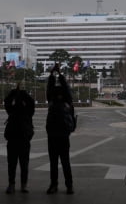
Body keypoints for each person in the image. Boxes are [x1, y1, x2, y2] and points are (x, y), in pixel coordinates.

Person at [46, 64, 75, 195]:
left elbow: (51, 89)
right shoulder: (65, 101)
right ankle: (67, 186)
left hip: (57, 133)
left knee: (58, 161)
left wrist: (55, 74)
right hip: (59, 133)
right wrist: (59, 75)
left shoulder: (57, 101)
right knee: (63, 161)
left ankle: (56, 185)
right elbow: (65, 90)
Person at [4, 83, 35, 194]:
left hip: (14, 139)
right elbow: (31, 103)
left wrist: (15, 92)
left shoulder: (12, 112)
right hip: (23, 139)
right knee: (23, 164)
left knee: (12, 164)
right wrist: (22, 93)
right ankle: (23, 185)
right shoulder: (28, 113)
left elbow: (7, 101)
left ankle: (12, 184)